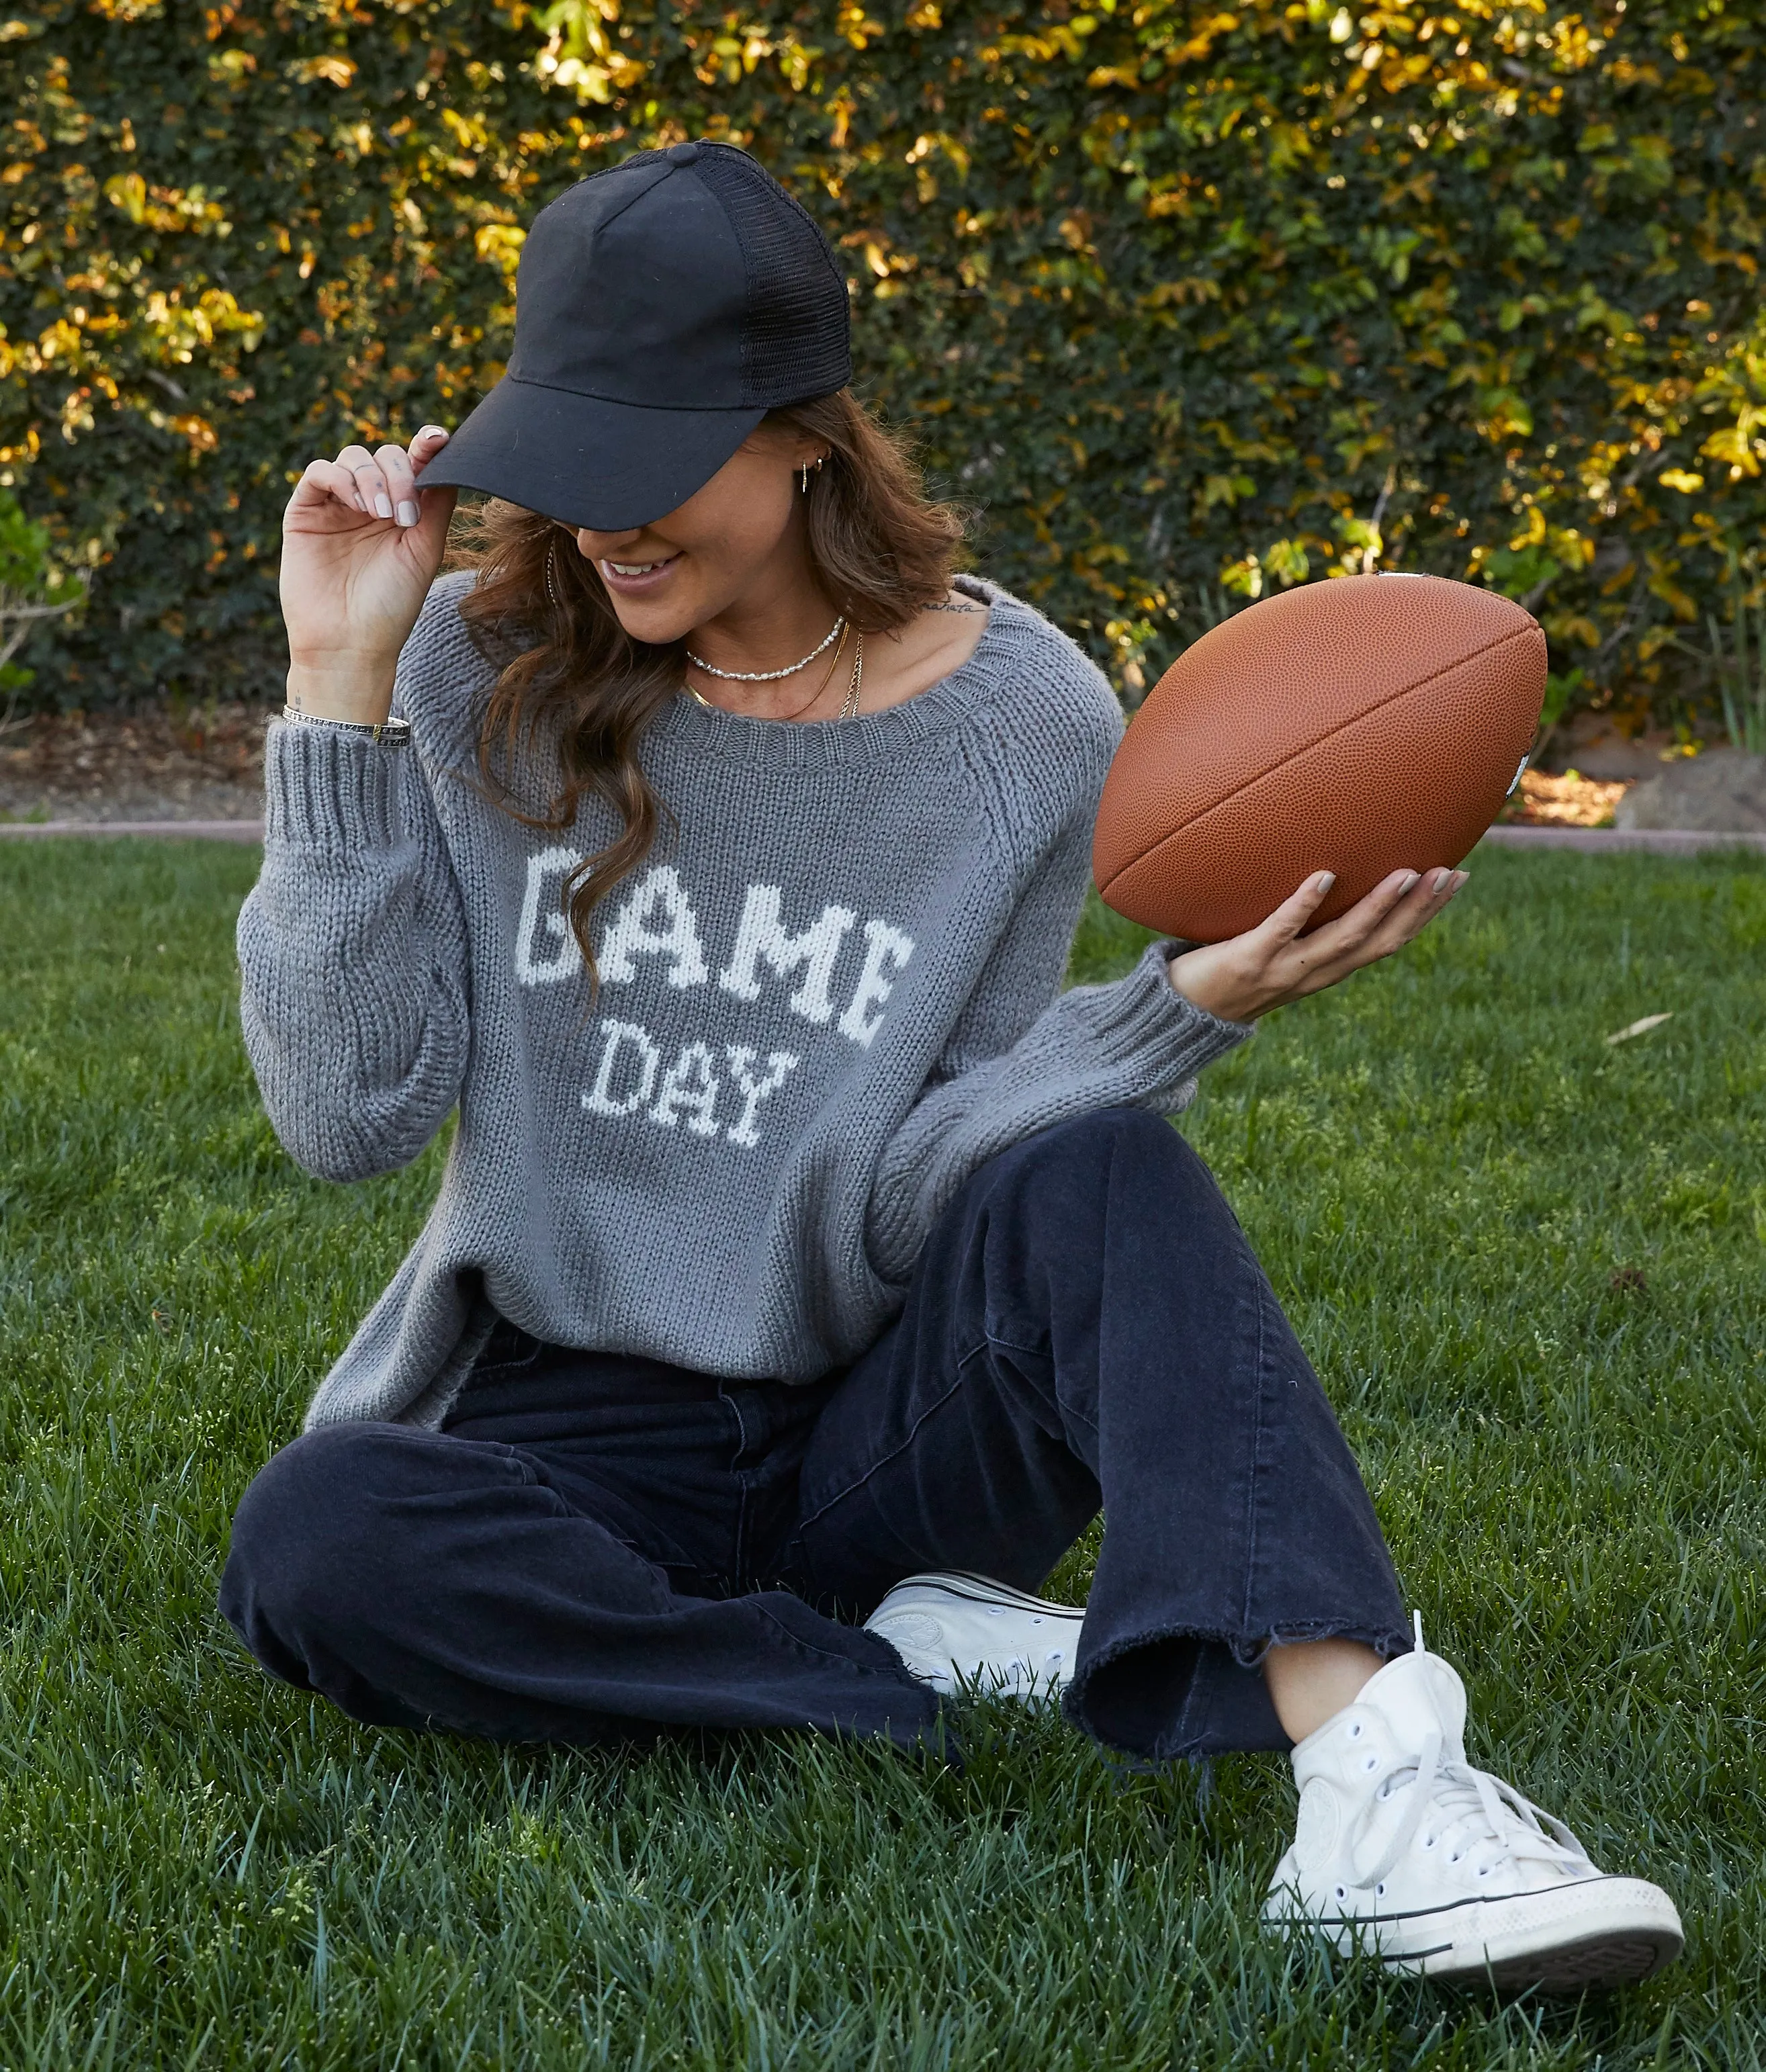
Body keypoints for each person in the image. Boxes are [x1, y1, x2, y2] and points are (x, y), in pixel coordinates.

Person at [220, 140, 1683, 1991]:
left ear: (805, 430)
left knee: (1109, 1170)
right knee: (317, 1537)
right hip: (563, 1434)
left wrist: (1183, 1004)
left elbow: (922, 1183)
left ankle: (1381, 1775)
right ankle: (888, 1667)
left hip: (884, 1425)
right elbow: (343, 1112)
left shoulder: (1020, 726)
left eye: (650, 460)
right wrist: (334, 690)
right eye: (565, 459)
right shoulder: (466, 666)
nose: (601, 520)